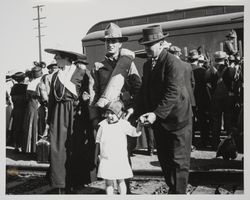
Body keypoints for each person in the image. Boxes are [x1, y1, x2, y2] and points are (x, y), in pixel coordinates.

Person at [136, 25, 193, 194]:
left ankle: (179, 193)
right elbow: (143, 91)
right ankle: (173, 190)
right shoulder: (148, 66)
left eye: (150, 44)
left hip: (178, 121)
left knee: (179, 163)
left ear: (161, 44)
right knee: (165, 160)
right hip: (161, 122)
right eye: (145, 45)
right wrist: (134, 110)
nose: (147, 48)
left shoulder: (173, 62)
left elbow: (172, 92)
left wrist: (155, 114)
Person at [89, 22, 141, 193]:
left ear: (120, 44)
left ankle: (127, 188)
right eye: (107, 42)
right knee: (108, 154)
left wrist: (132, 109)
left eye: (114, 41)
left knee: (125, 153)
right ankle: (111, 189)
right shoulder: (98, 67)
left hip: (125, 116)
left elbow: (137, 89)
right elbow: (94, 94)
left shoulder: (128, 64)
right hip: (107, 118)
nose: (110, 44)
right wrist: (95, 118)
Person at [45, 48, 93, 194]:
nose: (55, 59)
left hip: (75, 114)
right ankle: (59, 182)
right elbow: (52, 99)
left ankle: (74, 182)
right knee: (57, 148)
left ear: (66, 58)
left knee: (75, 148)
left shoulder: (82, 73)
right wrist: (49, 122)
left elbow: (88, 93)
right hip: (58, 115)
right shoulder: (55, 76)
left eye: (58, 57)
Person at [95, 100, 141, 195]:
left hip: (120, 159)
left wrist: (140, 124)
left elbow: (135, 132)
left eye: (113, 114)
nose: (109, 116)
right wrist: (97, 156)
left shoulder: (123, 124)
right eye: (108, 113)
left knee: (121, 181)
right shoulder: (102, 125)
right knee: (108, 183)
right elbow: (98, 141)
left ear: (119, 115)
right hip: (106, 159)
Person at [206, 51, 236, 149]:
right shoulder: (230, 70)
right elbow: (233, 81)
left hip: (215, 97)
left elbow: (207, 84)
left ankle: (215, 143)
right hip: (227, 97)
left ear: (215, 59)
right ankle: (229, 143)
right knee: (228, 120)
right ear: (225, 59)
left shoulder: (209, 70)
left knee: (216, 121)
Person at [22, 66, 44, 153]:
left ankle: (29, 148)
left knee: (30, 125)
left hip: (31, 105)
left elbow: (27, 97)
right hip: (37, 105)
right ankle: (35, 149)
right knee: (36, 125)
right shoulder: (40, 81)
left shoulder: (31, 82)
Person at [10, 72, 28, 152]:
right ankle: (22, 146)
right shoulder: (25, 87)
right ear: (24, 79)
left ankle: (16, 146)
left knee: (16, 128)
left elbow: (13, 98)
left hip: (16, 110)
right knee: (23, 128)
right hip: (24, 110)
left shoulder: (14, 87)